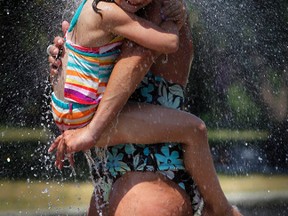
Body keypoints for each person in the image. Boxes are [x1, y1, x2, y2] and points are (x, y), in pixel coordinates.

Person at [47, 0, 242, 215]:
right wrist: (67, 66)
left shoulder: (158, 10)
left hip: (148, 177)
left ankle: (221, 209)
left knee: (194, 129)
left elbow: (142, 52)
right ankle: (221, 209)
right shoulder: (109, 13)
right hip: (122, 177)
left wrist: (89, 128)